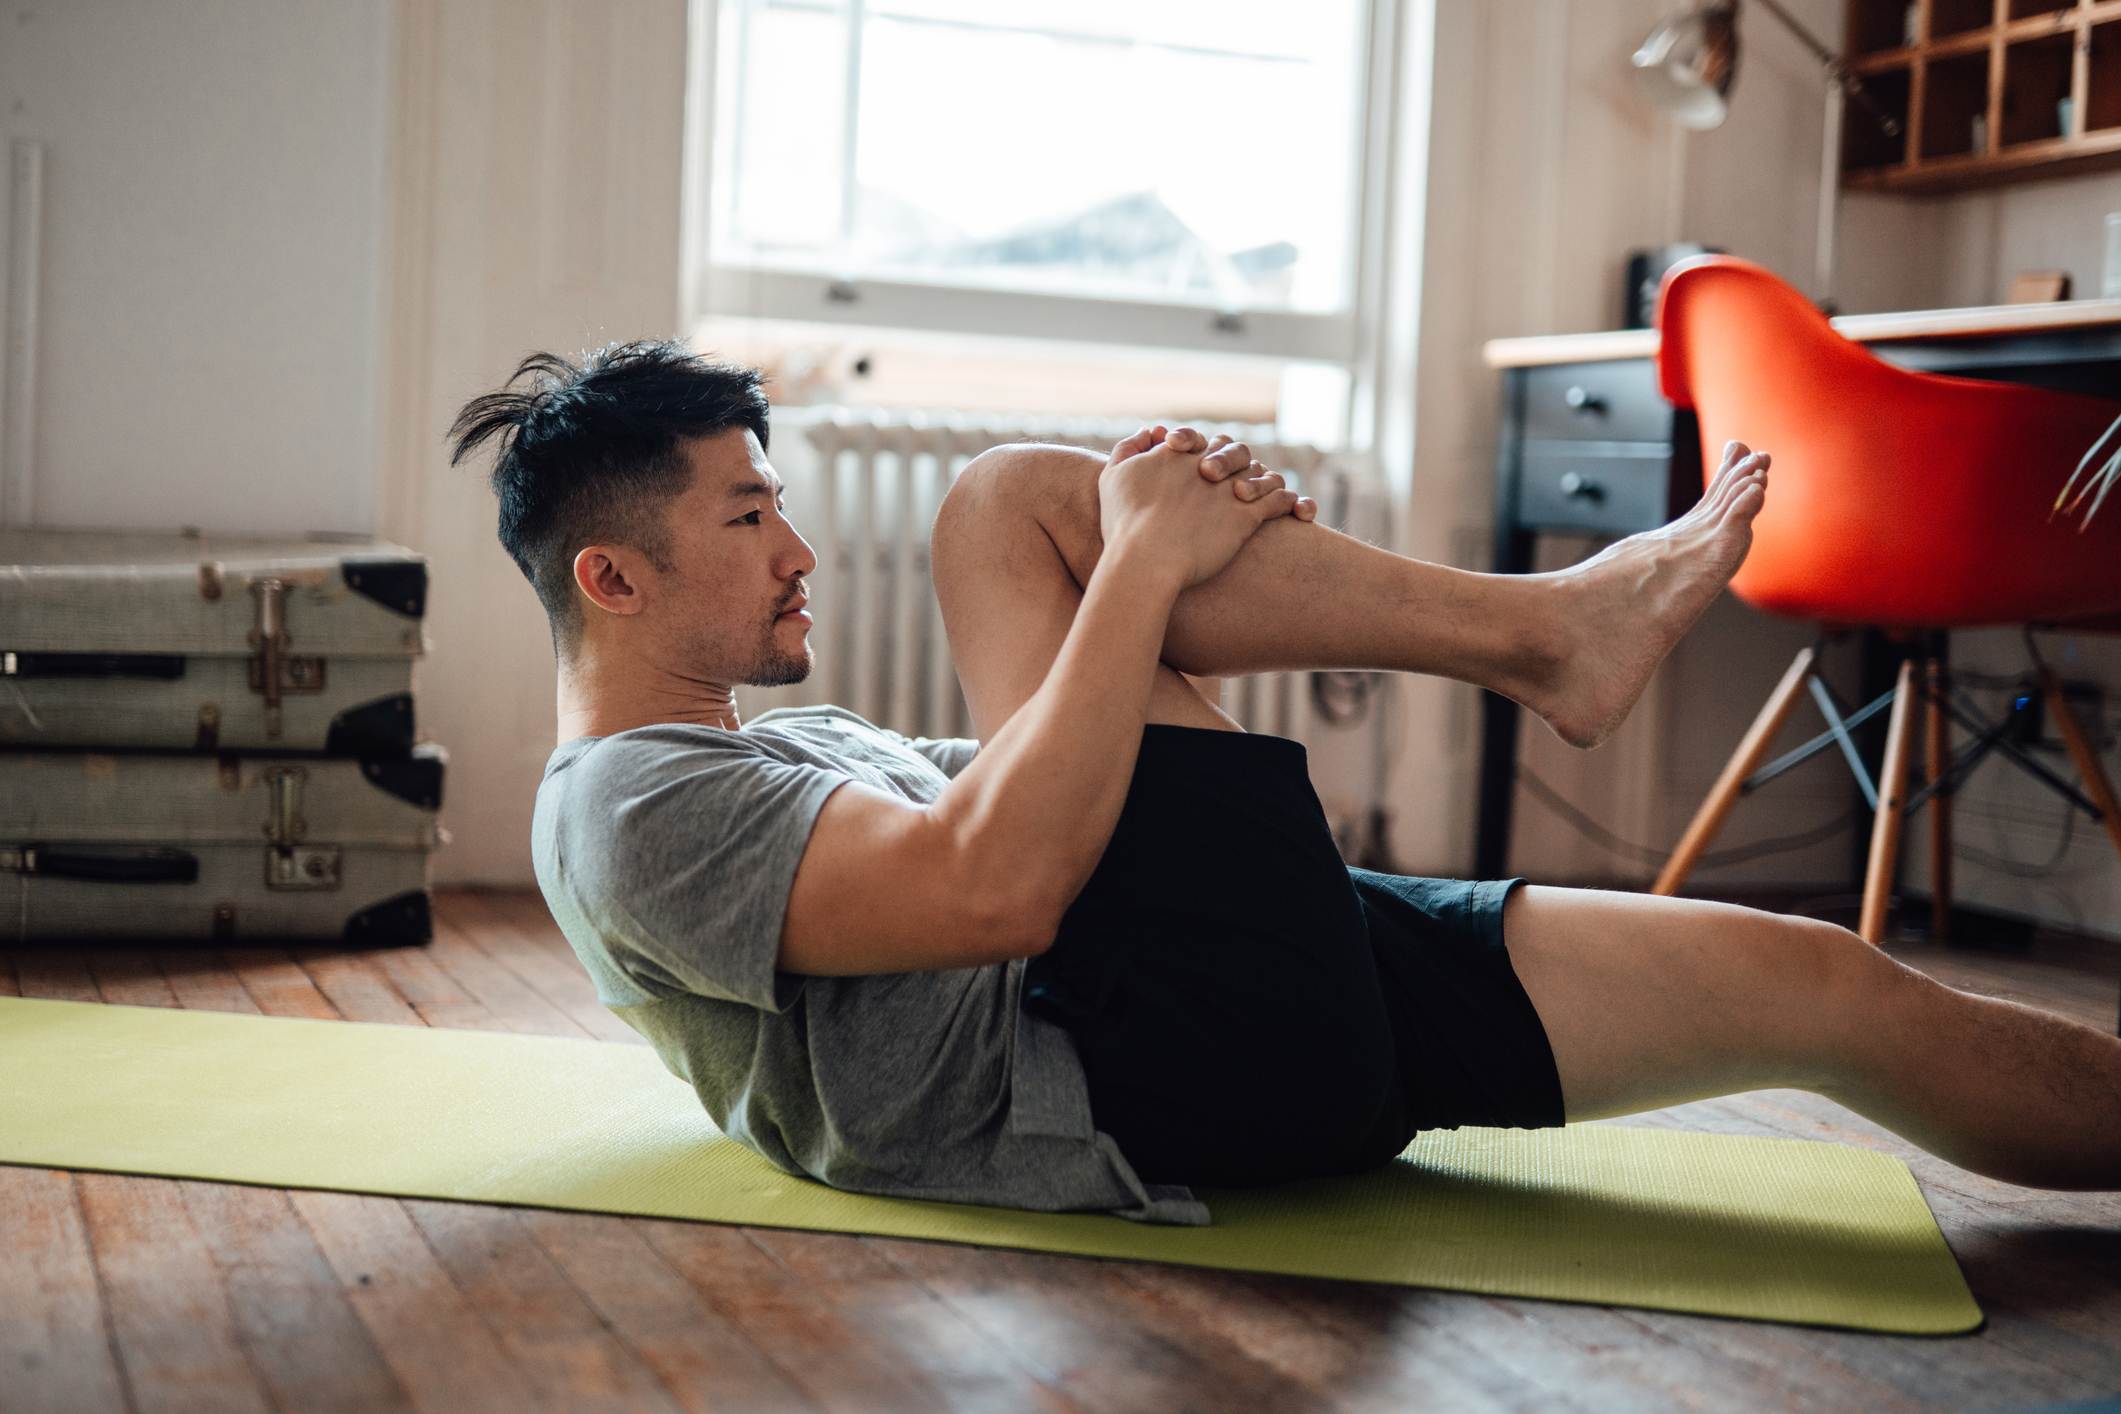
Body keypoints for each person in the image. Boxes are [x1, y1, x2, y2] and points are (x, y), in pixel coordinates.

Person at [452, 340, 2121, 1226]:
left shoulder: (767, 750)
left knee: (1810, 980)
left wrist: (1168, 561)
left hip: (1215, 995)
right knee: (999, 509)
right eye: (748, 522)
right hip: (1116, 1049)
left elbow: (1072, 768)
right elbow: (1000, 881)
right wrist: (1140, 558)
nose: (799, 552)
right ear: (611, 580)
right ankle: (1547, 637)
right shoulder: (623, 813)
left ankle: (1553, 643)